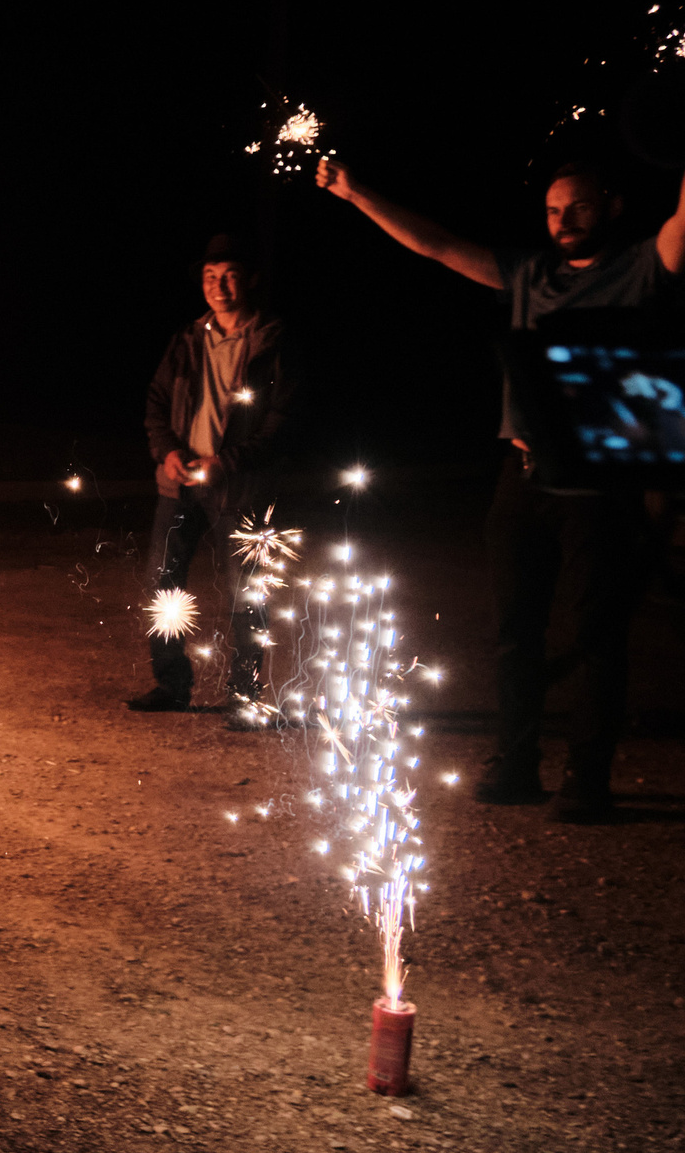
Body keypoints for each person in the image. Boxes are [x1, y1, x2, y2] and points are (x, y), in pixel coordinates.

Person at [315, 157, 684, 821]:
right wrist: (353, 191)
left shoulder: (641, 267)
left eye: (578, 207)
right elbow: (436, 245)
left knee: (598, 635)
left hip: (599, 484)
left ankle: (587, 779)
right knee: (516, 631)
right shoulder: (528, 275)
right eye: (551, 210)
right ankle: (515, 763)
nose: (563, 221)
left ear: (613, 206)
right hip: (520, 478)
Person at [127, 234, 301, 726]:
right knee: (164, 584)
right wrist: (166, 452)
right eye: (210, 276)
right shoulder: (187, 339)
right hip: (179, 482)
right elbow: (157, 403)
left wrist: (232, 460)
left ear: (249, 281)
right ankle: (171, 684)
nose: (218, 286)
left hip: (241, 485)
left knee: (247, 589)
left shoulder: (271, 341)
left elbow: (283, 420)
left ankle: (244, 696)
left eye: (228, 275)